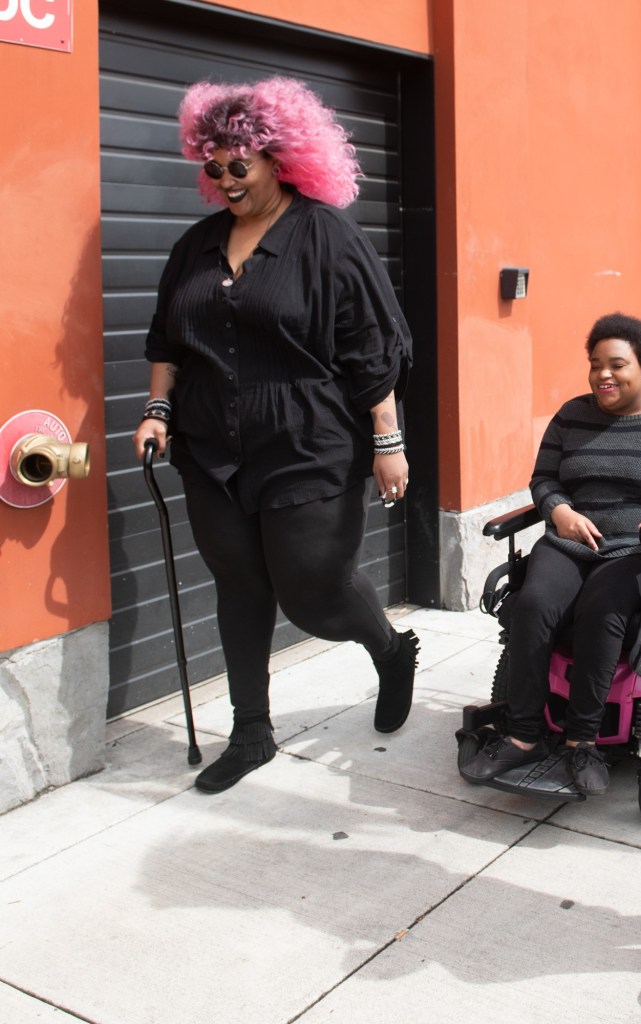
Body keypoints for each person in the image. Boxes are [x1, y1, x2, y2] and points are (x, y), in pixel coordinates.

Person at [133, 77, 418, 795]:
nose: (225, 180)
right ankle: (252, 730)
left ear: (279, 157)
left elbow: (372, 347)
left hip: (308, 440)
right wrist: (157, 411)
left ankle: (389, 648)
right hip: (212, 448)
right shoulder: (196, 246)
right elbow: (167, 338)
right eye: (214, 166)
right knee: (239, 586)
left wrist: (388, 442)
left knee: (314, 592)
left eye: (240, 164)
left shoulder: (326, 234)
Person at [460, 313, 641, 795]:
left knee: (603, 610)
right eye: (595, 364)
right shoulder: (572, 415)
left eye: (617, 364)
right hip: (570, 542)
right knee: (532, 605)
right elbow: (544, 479)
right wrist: (559, 512)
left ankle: (581, 744)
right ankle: (523, 736)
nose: (603, 375)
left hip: (636, 550)